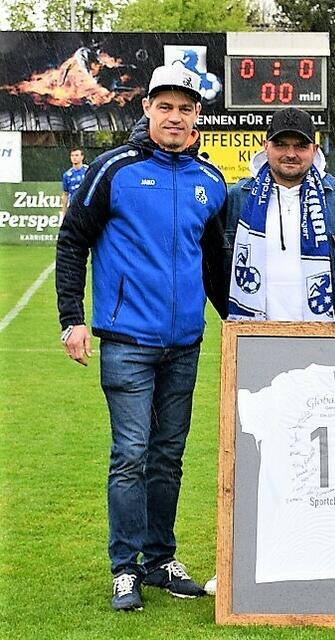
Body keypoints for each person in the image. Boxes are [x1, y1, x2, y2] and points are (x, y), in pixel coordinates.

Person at [56, 64, 228, 612]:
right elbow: (72, 241)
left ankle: (159, 558)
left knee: (168, 456)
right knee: (130, 454)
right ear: (148, 108)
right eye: (166, 106)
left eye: (186, 108)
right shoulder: (113, 169)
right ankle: (125, 567)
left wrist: (240, 321)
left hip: (185, 344)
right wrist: (71, 318)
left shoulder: (211, 181)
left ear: (197, 116)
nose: (175, 117)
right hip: (127, 341)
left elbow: (214, 265)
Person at [204, 107, 335, 595]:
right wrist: (236, 322)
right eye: (281, 144)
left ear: (314, 148)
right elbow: (213, 269)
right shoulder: (236, 199)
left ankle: (326, 557)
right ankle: (241, 563)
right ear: (266, 147)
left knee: (323, 464)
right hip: (257, 348)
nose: (290, 153)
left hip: (328, 348)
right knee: (253, 460)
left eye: (300, 144)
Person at [61, 148, 88, 215]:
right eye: (72, 155)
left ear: (82, 157)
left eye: (76, 155)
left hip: (87, 206)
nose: (74, 158)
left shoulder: (88, 171)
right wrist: (64, 211)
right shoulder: (67, 175)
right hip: (74, 206)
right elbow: (65, 194)